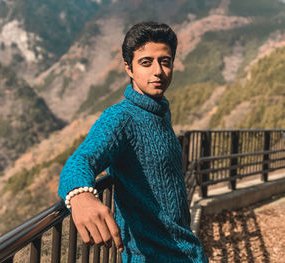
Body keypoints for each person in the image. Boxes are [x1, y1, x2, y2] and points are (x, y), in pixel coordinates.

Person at [58, 21, 208, 262]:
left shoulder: (159, 111)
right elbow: (79, 161)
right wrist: (81, 196)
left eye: (165, 61)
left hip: (186, 251)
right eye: (146, 62)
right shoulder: (121, 118)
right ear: (129, 69)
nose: (158, 71)